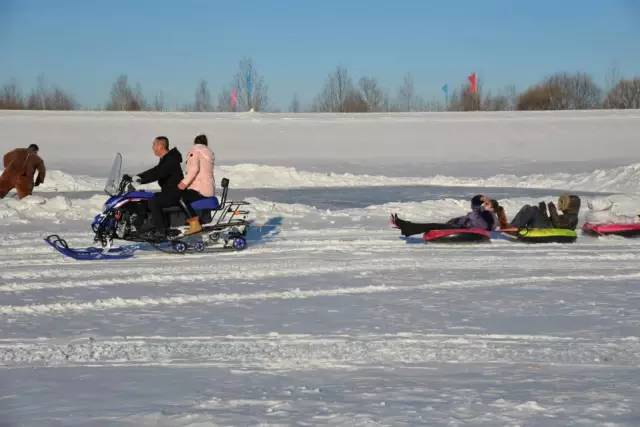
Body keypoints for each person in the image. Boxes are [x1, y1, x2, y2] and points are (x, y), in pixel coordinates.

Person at [129, 136, 183, 241]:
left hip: (174, 194)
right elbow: (154, 170)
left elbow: (158, 173)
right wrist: (137, 177)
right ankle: (143, 227)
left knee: (154, 201)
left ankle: (161, 231)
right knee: (145, 198)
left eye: (154, 144)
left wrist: (141, 181)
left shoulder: (171, 160)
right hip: (168, 192)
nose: (152, 147)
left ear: (160, 146)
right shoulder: (166, 158)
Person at [391, 195, 496, 237]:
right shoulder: (482, 213)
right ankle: (406, 227)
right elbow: (475, 205)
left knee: (433, 225)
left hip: (462, 229)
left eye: (487, 204)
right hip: (459, 226)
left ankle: (406, 227)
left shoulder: (487, 216)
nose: (485, 205)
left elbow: (481, 225)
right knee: (433, 225)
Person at [177, 134, 215, 235]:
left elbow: (194, 170)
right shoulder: (208, 153)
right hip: (208, 188)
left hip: (199, 189)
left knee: (180, 197)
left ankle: (194, 224)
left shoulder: (195, 151)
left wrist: (183, 183)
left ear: (195, 142)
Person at [510, 194, 581, 230]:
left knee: (533, 210)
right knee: (527, 207)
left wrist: (552, 209)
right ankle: (512, 225)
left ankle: (514, 227)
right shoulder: (568, 216)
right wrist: (543, 211)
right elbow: (553, 221)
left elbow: (558, 224)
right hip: (547, 226)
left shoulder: (573, 217)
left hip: (547, 228)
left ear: (571, 205)